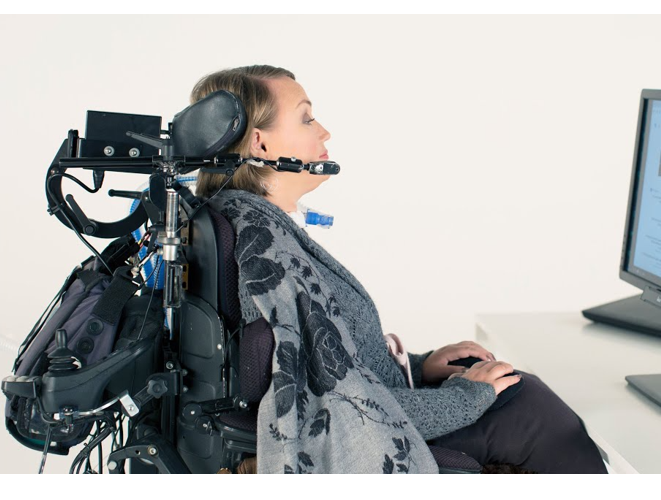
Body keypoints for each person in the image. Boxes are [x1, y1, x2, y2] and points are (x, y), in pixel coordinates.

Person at [193, 65, 606, 474]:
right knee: (531, 410)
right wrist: (466, 397)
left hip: (380, 402)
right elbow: (338, 405)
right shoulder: (265, 249)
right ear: (262, 145)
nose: (324, 131)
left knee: (519, 390)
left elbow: (334, 357)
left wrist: (416, 365)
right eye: (306, 117)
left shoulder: (247, 225)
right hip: (363, 434)